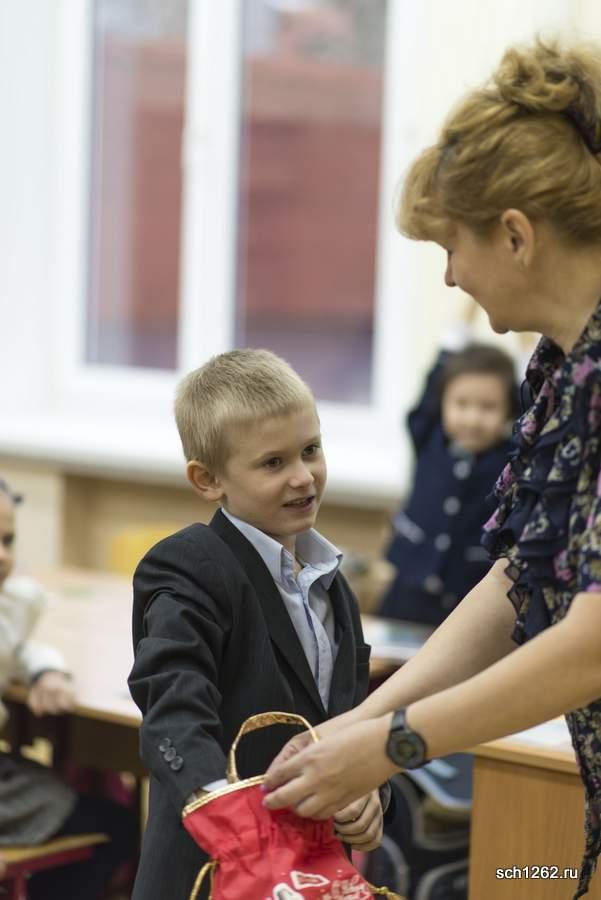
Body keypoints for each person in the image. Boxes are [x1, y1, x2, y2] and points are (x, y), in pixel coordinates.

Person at [263, 39, 601, 899]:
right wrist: (359, 724)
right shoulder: (561, 367)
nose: (449, 277)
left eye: (451, 247)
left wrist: (391, 745)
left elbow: (592, 642)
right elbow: (520, 581)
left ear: (515, 235)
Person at [127, 349, 388, 900]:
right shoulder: (189, 566)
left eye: (311, 450)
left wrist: (368, 789)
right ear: (208, 479)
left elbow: (348, 720)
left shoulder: (333, 585)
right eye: (273, 463)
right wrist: (238, 825)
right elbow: (173, 710)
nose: (303, 476)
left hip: (312, 876)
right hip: (213, 874)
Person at [0, 479, 136, 900]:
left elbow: (16, 646)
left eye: (8, 540)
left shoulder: (9, 604)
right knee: (120, 826)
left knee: (107, 813)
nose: (3, 556)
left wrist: (45, 670)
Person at [379, 309, 518, 625]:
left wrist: (526, 348)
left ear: (507, 410)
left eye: (487, 407)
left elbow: (533, 411)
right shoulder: (428, 437)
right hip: (407, 588)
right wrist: (462, 321)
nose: (472, 418)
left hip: (468, 596)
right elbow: (431, 390)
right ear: (443, 403)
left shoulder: (510, 458)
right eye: (461, 404)